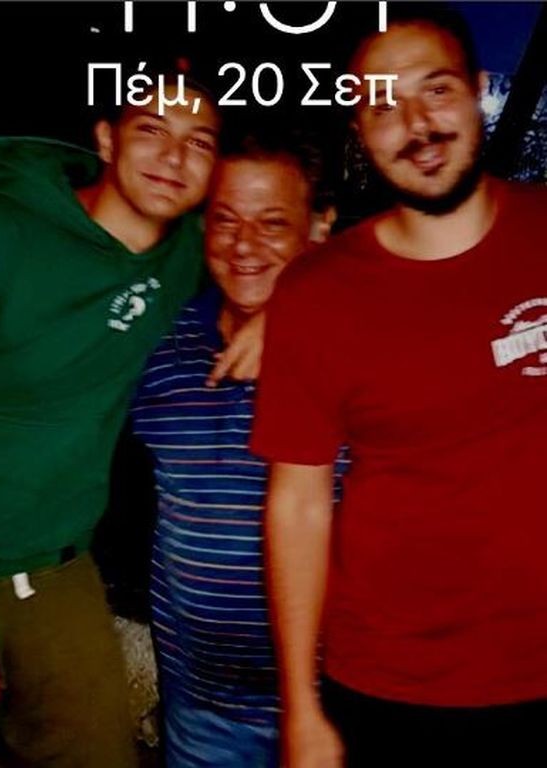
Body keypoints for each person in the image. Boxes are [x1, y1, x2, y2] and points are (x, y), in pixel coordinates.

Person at [250, 4, 547, 768]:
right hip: (390, 686)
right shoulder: (316, 294)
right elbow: (296, 505)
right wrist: (301, 708)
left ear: (476, 89)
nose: (415, 124)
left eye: (435, 89)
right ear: (359, 127)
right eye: (383, 104)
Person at [0, 77, 256, 768]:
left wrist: (278, 309)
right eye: (152, 130)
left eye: (198, 143)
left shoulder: (189, 251)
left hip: (54, 565)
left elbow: (294, 247)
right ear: (107, 140)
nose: (173, 159)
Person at [130, 130, 346, 767]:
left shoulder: (364, 350)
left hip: (340, 702)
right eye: (225, 220)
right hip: (203, 711)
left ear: (321, 226)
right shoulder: (162, 349)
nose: (244, 245)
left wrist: (301, 311)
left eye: (272, 223)